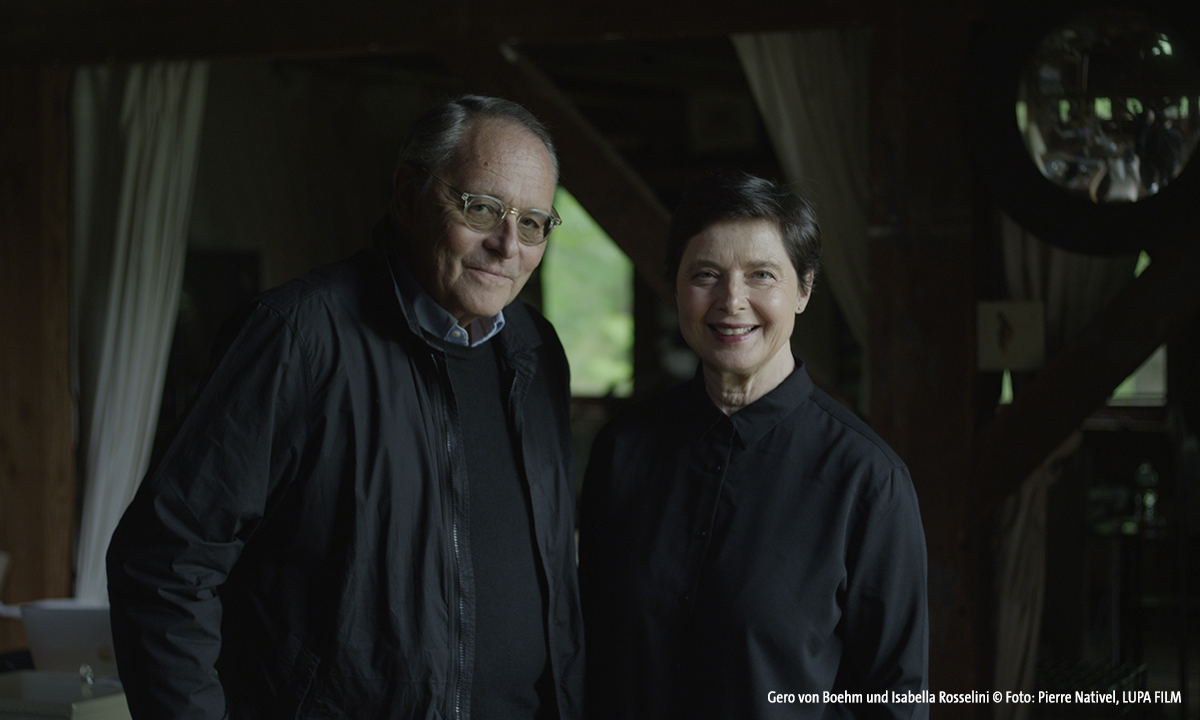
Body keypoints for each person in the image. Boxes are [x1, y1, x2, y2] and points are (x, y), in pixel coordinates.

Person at [107, 95, 584, 720]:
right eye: (482, 208)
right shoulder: (297, 337)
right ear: (408, 196)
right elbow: (166, 561)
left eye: (531, 223)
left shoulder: (536, 350)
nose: (506, 244)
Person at [578, 171, 928, 719]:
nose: (732, 300)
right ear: (676, 286)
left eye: (761, 275)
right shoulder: (623, 450)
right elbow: (588, 648)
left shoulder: (868, 480)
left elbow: (894, 701)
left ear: (804, 289)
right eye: (706, 274)